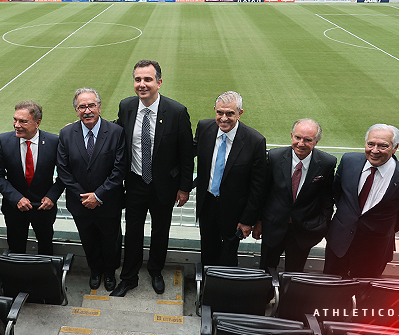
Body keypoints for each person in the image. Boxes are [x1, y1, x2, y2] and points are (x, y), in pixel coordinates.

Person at [110, 60, 194, 297]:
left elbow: (187, 154)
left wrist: (184, 188)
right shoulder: (126, 106)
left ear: (159, 82)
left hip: (164, 185)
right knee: (132, 232)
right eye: (138, 79)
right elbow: (117, 129)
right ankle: (129, 278)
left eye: (147, 79)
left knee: (160, 231)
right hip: (135, 182)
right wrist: (87, 126)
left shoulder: (177, 112)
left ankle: (156, 271)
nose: (142, 84)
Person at [324, 124, 399, 278]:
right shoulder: (349, 161)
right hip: (339, 244)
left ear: (395, 148)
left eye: (383, 146)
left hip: (375, 250)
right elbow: (337, 193)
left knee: (365, 291)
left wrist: (379, 229)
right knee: (329, 287)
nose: (375, 150)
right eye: (371, 144)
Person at [57, 88, 126, 292]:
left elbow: (119, 169)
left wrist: (98, 195)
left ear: (99, 107)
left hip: (108, 202)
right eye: (82, 107)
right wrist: (84, 197)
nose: (87, 111)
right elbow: (63, 170)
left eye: (91, 105)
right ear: (76, 110)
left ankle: (110, 272)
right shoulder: (66, 133)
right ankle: (95, 271)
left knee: (111, 240)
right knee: (88, 240)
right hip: (80, 203)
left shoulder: (116, 132)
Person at [253, 118, 337, 272]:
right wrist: (258, 221)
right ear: (292, 135)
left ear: (316, 141)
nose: (301, 143)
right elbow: (263, 192)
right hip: (273, 227)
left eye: (308, 140)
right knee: (266, 272)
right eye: (298, 137)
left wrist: (322, 225)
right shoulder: (274, 157)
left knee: (294, 274)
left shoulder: (327, 163)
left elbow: (326, 198)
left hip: (303, 231)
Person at [194, 91, 266, 267]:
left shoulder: (255, 141)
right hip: (207, 204)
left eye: (230, 113)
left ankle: (225, 284)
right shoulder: (204, 128)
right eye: (220, 112)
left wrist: (248, 220)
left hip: (235, 212)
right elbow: (187, 155)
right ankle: (208, 282)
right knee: (207, 251)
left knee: (228, 257)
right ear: (214, 110)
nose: (224, 118)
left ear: (240, 113)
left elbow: (258, 186)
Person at [0, 100, 65, 255]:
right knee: (15, 250)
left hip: (44, 208)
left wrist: (52, 196)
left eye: (23, 121)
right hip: (15, 209)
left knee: (46, 249)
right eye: (15, 119)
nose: (16, 125)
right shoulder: (4, 140)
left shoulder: (54, 142)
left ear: (37, 123)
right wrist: (16, 198)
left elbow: (64, 174)